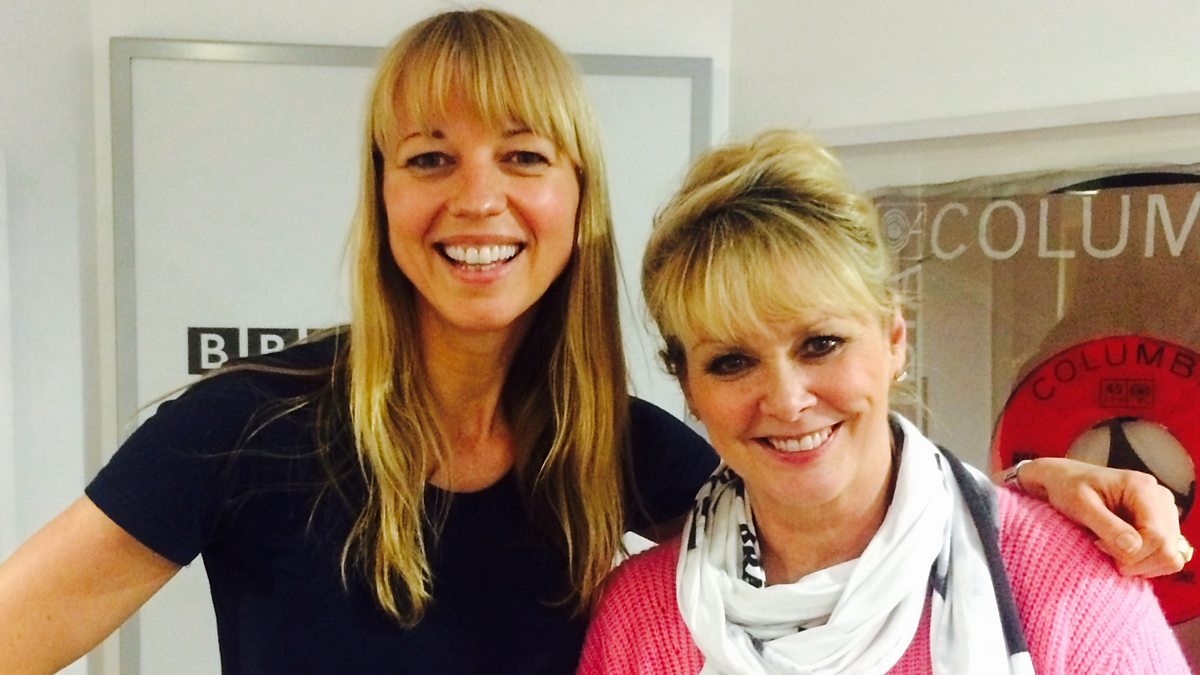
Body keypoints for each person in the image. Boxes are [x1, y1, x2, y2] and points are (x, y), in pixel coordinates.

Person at [0, 10, 1185, 675]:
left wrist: (1034, 495)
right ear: (384, 194)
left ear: (577, 197)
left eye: (523, 156)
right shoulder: (242, 429)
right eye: (430, 158)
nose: (477, 200)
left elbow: (833, 501)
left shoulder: (620, 448)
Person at [577, 130, 1190, 674]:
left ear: (895, 338)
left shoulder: (1065, 586)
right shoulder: (641, 621)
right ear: (689, 386)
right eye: (732, 361)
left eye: (821, 344)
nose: (787, 400)